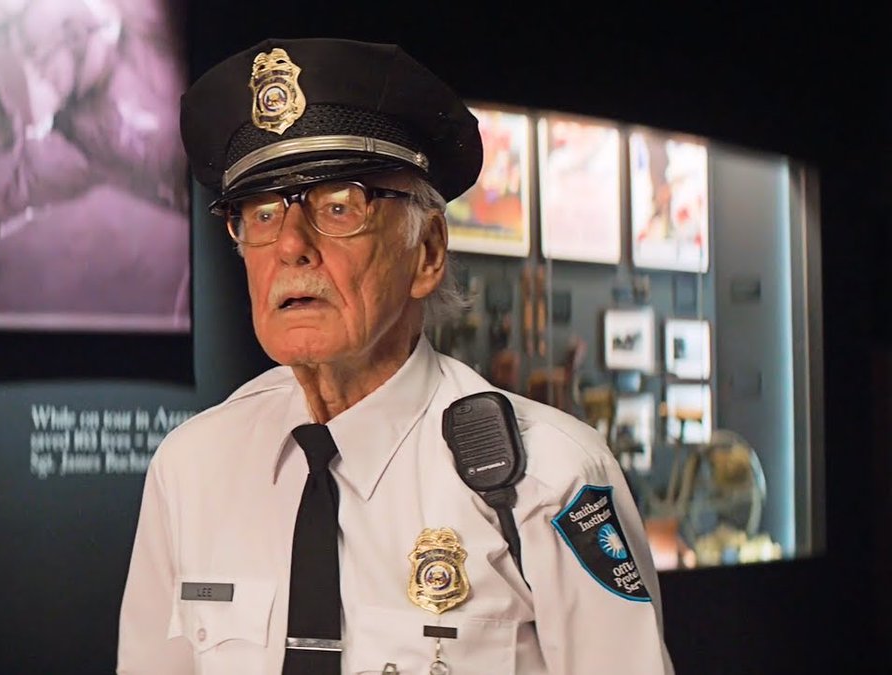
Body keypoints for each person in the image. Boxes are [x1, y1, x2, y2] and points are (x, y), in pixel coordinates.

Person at [118, 37, 675, 674]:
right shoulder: (192, 469)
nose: (292, 245)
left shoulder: (549, 479)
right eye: (262, 214)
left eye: (339, 206)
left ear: (428, 253)